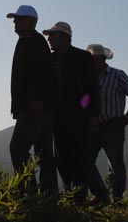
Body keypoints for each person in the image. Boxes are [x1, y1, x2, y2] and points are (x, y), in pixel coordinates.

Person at [42, 22, 99, 202]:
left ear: (64, 37)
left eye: (53, 35)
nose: (49, 39)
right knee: (62, 158)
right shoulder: (50, 59)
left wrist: (91, 113)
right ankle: (70, 193)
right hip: (56, 117)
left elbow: (91, 87)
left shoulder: (82, 57)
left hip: (78, 117)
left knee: (79, 158)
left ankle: (79, 198)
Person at [6, 5, 58, 195]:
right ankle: (49, 194)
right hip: (41, 106)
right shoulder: (29, 41)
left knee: (18, 148)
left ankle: (28, 192)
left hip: (35, 106)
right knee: (44, 152)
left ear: (30, 21)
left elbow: (39, 73)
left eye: (18, 19)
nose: (14, 22)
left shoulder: (34, 42)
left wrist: (36, 99)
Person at [86, 44, 128, 204]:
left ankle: (116, 199)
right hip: (92, 126)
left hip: (112, 126)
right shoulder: (88, 77)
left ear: (100, 59)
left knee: (115, 165)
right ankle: (101, 195)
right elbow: (85, 100)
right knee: (85, 161)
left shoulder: (117, 75)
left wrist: (127, 118)